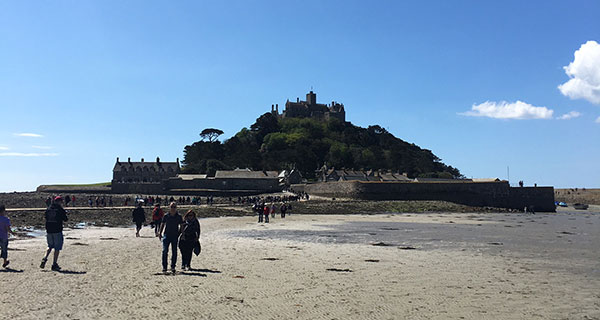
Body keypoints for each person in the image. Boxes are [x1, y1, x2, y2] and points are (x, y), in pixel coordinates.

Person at [40, 196, 68, 271]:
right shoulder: (60, 209)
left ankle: (44, 258)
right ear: (59, 202)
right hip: (57, 230)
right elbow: (65, 219)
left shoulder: (49, 208)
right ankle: (54, 263)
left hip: (49, 230)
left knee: (49, 246)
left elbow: (45, 217)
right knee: (57, 248)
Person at [158, 202, 183, 273]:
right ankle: (164, 267)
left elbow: (181, 226)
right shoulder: (166, 216)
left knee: (174, 251)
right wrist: (160, 233)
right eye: (172, 207)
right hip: (166, 235)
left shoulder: (179, 216)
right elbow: (162, 224)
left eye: (174, 207)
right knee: (164, 251)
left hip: (175, 236)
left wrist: (182, 234)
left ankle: (173, 266)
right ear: (169, 207)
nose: (173, 208)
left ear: (176, 208)